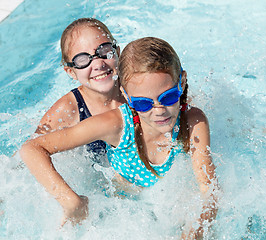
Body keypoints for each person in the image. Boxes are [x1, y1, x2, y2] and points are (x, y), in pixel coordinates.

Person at [20, 37, 219, 238]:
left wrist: (195, 230)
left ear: (182, 83)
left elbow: (208, 189)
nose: (159, 110)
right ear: (126, 95)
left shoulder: (193, 121)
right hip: (121, 211)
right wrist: (71, 201)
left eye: (168, 97)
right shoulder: (116, 124)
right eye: (143, 104)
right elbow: (32, 148)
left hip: (166, 210)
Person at [36, 17, 126, 158]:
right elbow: (29, 154)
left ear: (117, 53)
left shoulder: (136, 86)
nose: (98, 64)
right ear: (71, 72)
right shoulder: (68, 109)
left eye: (104, 50)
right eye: (82, 60)